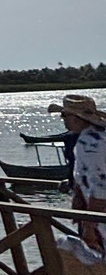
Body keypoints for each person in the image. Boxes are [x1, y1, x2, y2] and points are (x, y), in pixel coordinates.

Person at [48, 95, 106, 257]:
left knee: (64, 246)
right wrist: (78, 195)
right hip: (97, 213)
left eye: (65, 115)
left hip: (101, 216)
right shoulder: (99, 135)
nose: (63, 119)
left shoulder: (89, 143)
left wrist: (89, 226)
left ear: (78, 118)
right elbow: (85, 174)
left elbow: (101, 186)